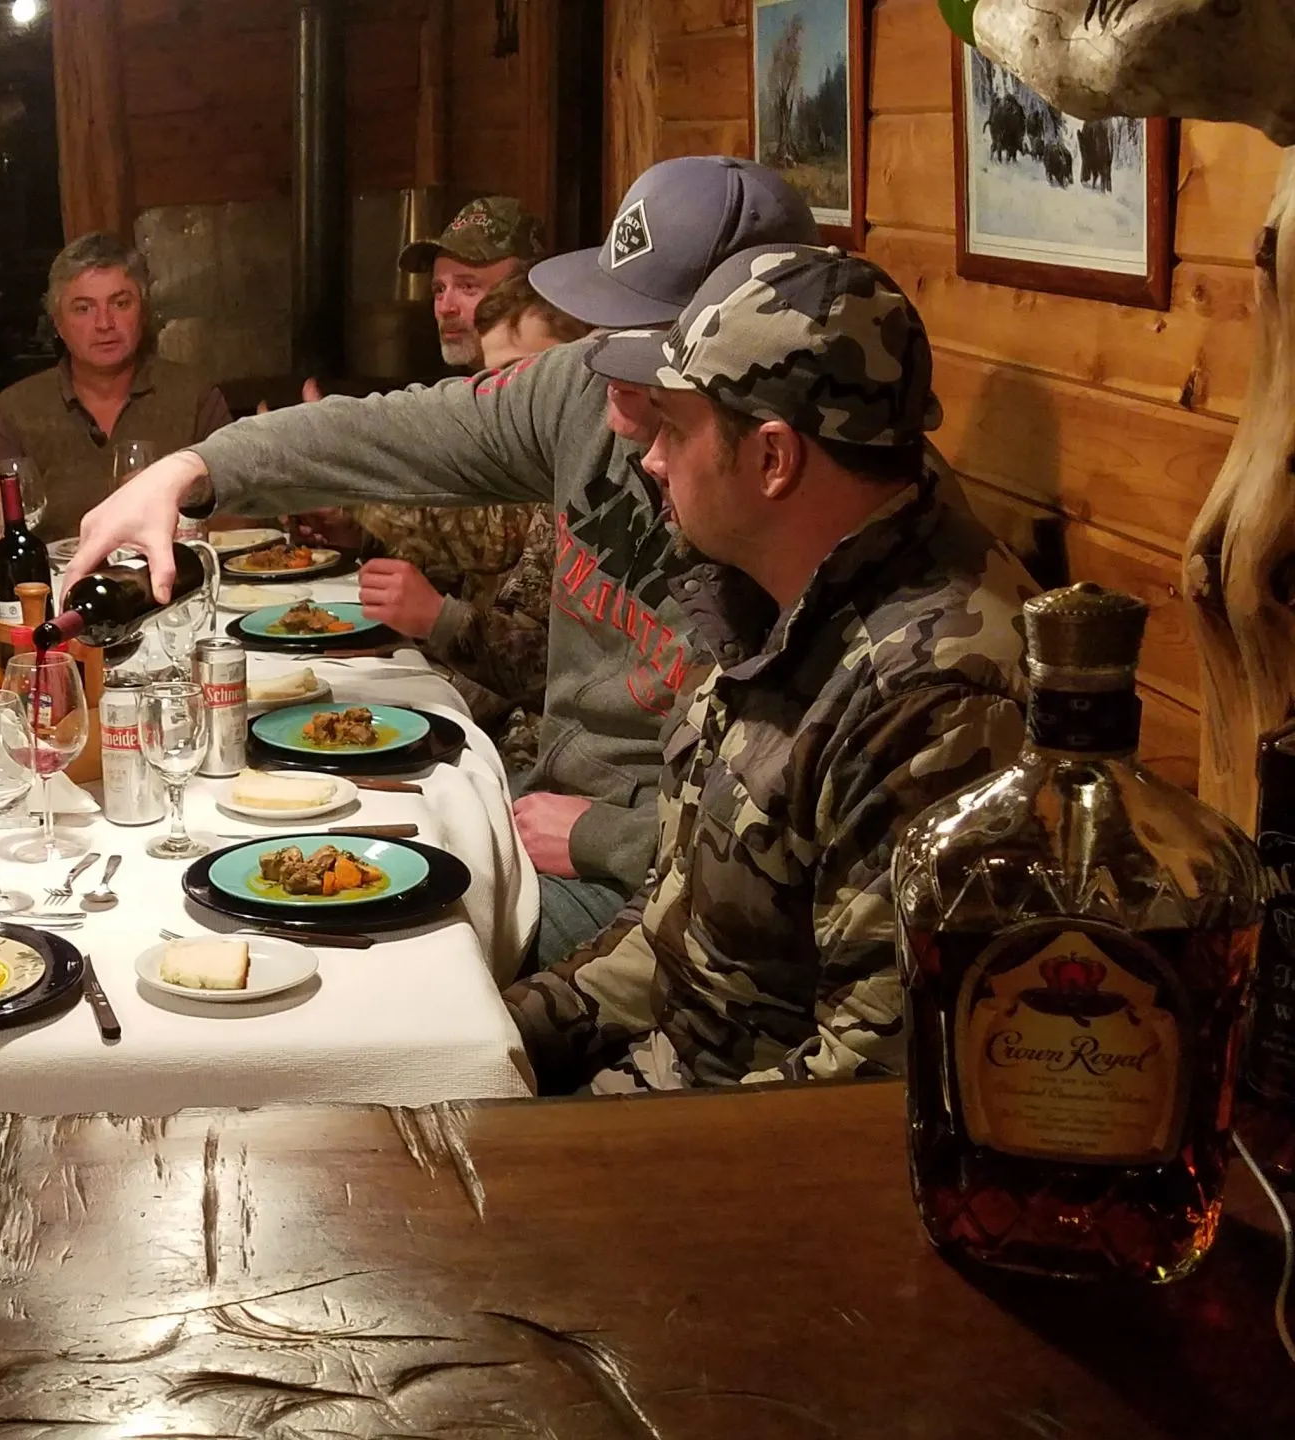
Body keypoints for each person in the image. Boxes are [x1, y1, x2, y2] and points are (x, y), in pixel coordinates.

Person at [65, 156, 822, 970]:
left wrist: (611, 835)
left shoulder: (797, 510)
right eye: (606, 327)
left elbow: (800, 855)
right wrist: (193, 468)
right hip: (538, 799)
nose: (607, 378)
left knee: (348, 975)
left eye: (649, 351)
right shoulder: (587, 389)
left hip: (641, 870)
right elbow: (394, 432)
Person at [502, 244, 1034, 1091]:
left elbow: (866, 1083)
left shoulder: (933, 698)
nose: (651, 459)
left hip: (741, 1140)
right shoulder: (766, 594)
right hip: (671, 1084)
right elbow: (670, 933)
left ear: (773, 458)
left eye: (676, 429)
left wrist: (572, 1132)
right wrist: (494, 1040)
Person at [355, 275, 591, 772]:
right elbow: (522, 641)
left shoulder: (595, 480)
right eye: (492, 382)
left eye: (521, 377)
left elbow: (556, 672)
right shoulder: (548, 473)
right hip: (506, 724)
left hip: (554, 762)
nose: (501, 403)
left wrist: (437, 619)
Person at [0, 232, 232, 538]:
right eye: (83, 308)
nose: (104, 323)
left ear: (143, 312)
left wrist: (185, 494)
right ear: (57, 322)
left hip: (170, 566)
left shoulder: (194, 394)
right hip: (60, 570)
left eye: (120, 303)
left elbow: (240, 515)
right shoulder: (16, 409)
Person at [396, 194, 551, 370]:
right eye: (439, 289)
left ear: (526, 292)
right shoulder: (470, 386)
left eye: (467, 287)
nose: (445, 308)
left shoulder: (563, 379)